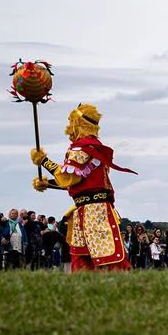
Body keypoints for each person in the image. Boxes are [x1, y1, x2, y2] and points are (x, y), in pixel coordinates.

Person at [31, 103, 133, 272]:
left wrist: (43, 161)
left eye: (71, 122)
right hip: (85, 209)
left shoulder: (82, 147)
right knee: (83, 258)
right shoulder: (92, 147)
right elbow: (78, 182)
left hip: (94, 210)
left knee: (106, 257)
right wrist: (47, 183)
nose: (68, 127)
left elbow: (68, 176)